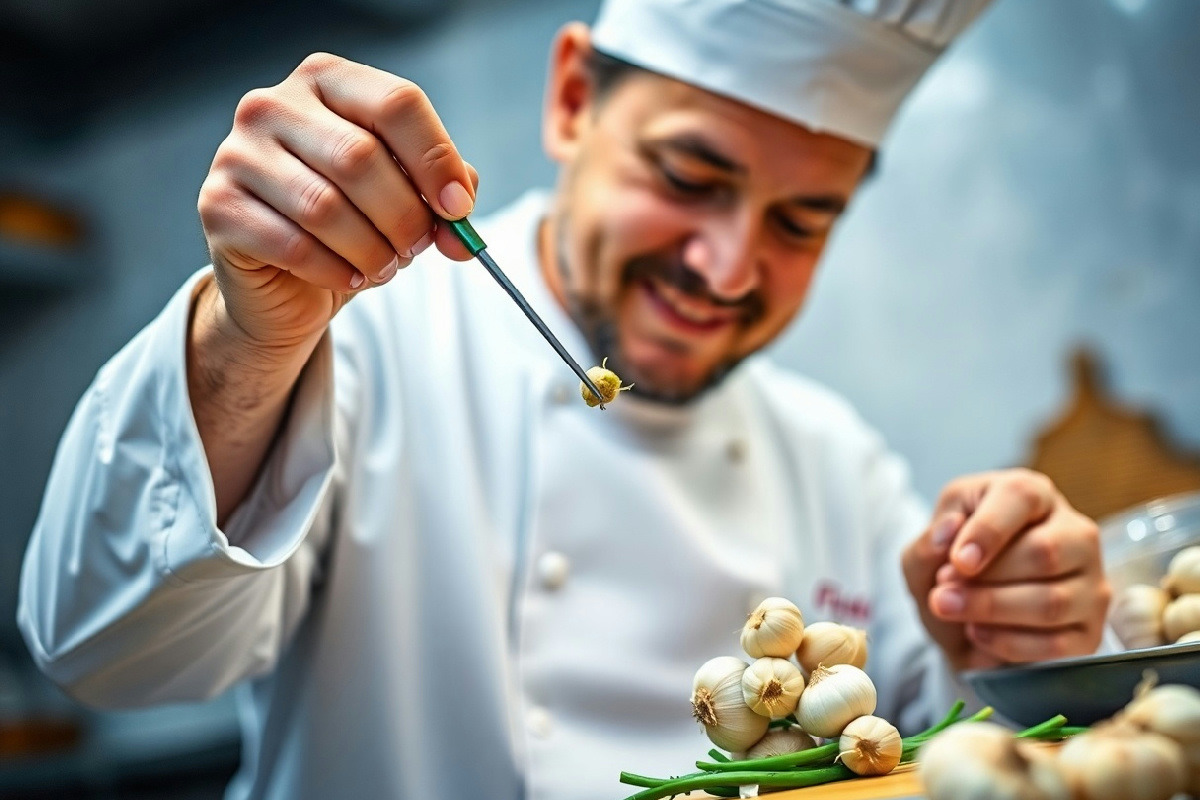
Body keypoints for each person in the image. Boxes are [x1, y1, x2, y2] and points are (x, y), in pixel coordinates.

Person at [18, 0, 1111, 797]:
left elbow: (953, 749)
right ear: (574, 97)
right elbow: (110, 655)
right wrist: (242, 341)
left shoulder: (838, 461)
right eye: (689, 177)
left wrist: (1010, 633)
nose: (728, 268)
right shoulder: (358, 351)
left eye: (799, 222)